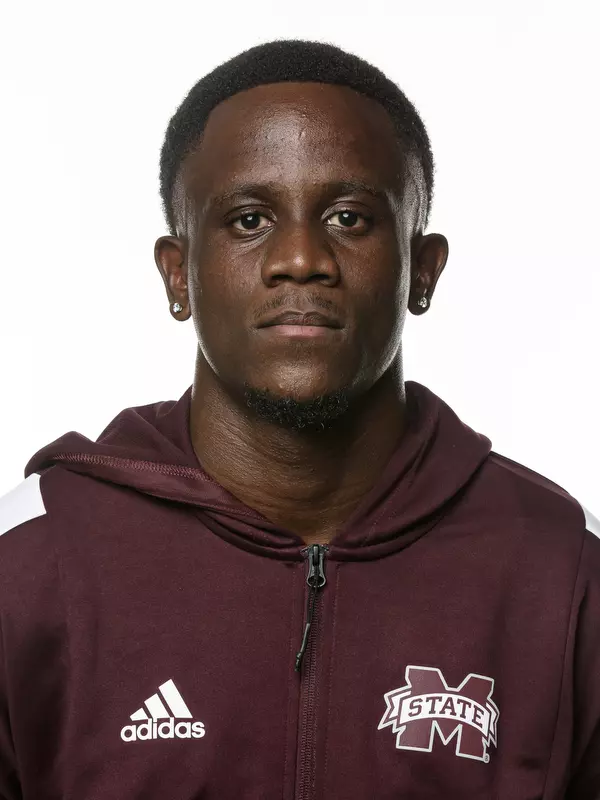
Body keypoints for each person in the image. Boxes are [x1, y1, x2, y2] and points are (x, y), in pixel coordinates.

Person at [0, 38, 598, 800]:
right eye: (249, 220)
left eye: (349, 217)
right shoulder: (29, 566)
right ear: (178, 274)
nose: (300, 258)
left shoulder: (565, 573)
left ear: (423, 269)